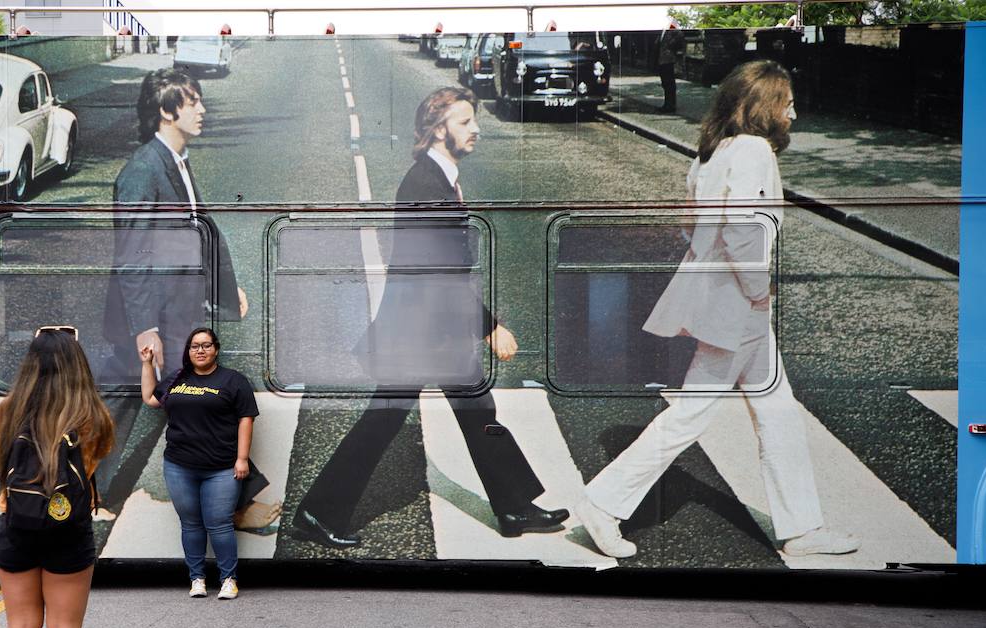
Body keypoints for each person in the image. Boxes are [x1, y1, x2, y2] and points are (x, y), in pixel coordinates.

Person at [572, 60, 861, 560]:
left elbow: (692, 220)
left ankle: (802, 528)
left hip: (725, 300)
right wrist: (756, 289)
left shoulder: (713, 151)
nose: (794, 111)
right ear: (763, 106)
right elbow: (742, 229)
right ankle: (603, 502)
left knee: (777, 414)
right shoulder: (752, 151)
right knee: (691, 415)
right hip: (738, 306)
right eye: (786, 101)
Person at [290, 86, 569, 549]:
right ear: (439, 130)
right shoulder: (425, 186)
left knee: (478, 410)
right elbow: (440, 274)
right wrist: (489, 326)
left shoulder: (437, 178)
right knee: (384, 420)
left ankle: (514, 506)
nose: (475, 128)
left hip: (433, 330)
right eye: (464, 122)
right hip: (419, 335)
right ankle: (317, 512)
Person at [99, 68, 278, 532]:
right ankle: (236, 503)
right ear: (165, 110)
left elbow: (201, 232)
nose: (202, 109)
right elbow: (133, 258)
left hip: (177, 311)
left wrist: (224, 289)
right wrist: (146, 329)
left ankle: (87, 490)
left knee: (123, 406)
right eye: (192, 101)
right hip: (157, 318)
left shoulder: (176, 161)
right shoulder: (142, 171)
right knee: (201, 406)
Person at [0, 325, 115, 628]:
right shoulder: (93, 418)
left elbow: (4, 472)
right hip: (68, 531)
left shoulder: (7, 411)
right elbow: (93, 470)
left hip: (17, 527)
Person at [139, 327, 257, 599]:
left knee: (219, 523)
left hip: (222, 467)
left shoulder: (233, 380)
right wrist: (147, 364)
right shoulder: (178, 378)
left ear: (216, 349)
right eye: (194, 346)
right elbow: (149, 399)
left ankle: (228, 579)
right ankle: (197, 579)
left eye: (205, 345)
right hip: (180, 466)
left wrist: (241, 459)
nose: (200, 351)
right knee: (191, 523)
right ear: (188, 351)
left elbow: (246, 419)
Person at [658, 24, 685, 113]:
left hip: (669, 60)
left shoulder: (673, 29)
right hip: (662, 60)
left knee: (669, 84)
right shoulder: (662, 30)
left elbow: (680, 36)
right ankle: (667, 104)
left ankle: (671, 105)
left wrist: (671, 45)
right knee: (665, 83)